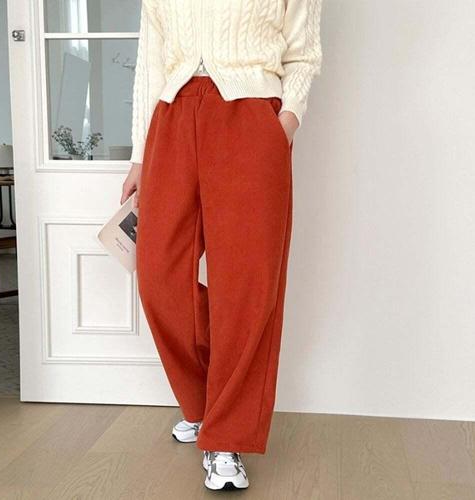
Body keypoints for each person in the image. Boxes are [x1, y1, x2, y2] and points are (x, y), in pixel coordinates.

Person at [121, 0, 323, 491]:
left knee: (246, 286)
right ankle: (205, 406)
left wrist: (284, 123)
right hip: (172, 115)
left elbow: (304, 53)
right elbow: (150, 62)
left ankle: (227, 437)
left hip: (252, 116)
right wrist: (140, 156)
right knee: (159, 276)